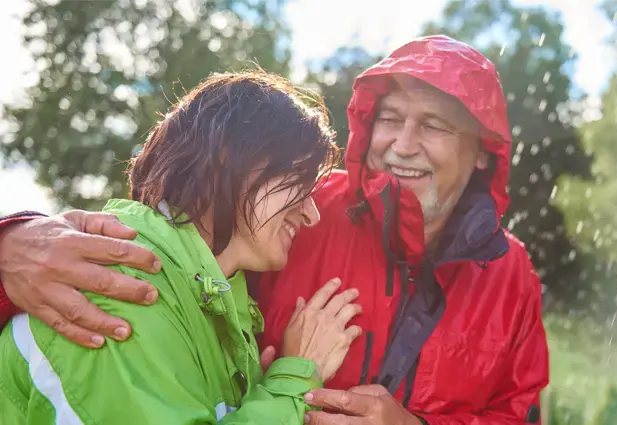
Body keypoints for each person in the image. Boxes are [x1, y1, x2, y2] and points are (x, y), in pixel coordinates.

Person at [0, 35, 549, 425]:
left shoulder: (513, 274)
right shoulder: (297, 210)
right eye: (389, 119)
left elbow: (519, 415)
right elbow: (171, 239)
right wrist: (10, 242)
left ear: (482, 152)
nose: (402, 144)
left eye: (432, 125)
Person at [0, 70, 365, 425]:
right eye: (299, 181)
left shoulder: (207, 304)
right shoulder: (118, 284)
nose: (312, 214)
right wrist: (293, 381)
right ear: (228, 157)